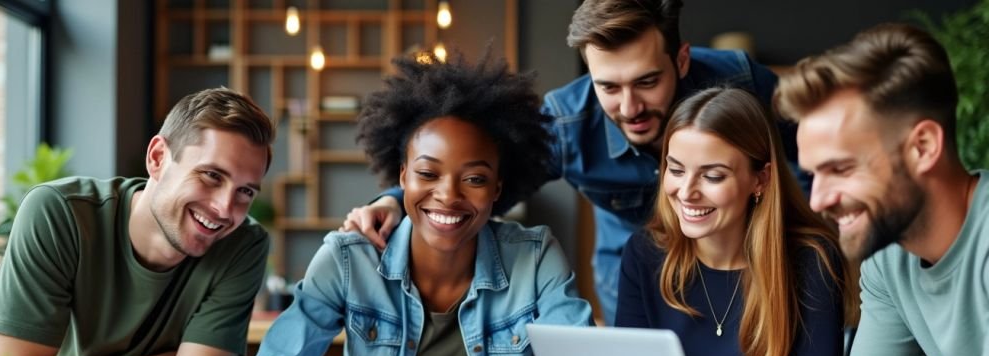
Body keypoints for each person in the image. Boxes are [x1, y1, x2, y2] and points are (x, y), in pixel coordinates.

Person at [339, 0, 804, 325]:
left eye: (647, 81)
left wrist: (810, 237)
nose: (630, 107)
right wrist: (397, 201)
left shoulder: (742, 80)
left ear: (682, 61)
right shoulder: (565, 125)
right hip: (635, 279)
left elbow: (808, 160)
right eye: (609, 87)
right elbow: (483, 188)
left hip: (749, 268)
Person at [222, 53, 593, 356]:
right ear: (402, 178)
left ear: (498, 189)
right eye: (428, 174)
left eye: (474, 179)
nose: (448, 195)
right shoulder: (349, 262)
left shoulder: (536, 257)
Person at [704, 23, 989, 356]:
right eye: (814, 174)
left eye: (840, 169)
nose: (817, 200)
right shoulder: (889, 254)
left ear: (923, 147)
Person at [0, 87, 274, 356]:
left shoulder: (243, 245)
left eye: (245, 192)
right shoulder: (59, 214)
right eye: (210, 176)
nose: (224, 208)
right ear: (157, 158)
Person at [616, 87, 851, 356]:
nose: (686, 192)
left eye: (712, 176)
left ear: (761, 179)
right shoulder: (644, 254)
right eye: (676, 169)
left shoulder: (813, 260)